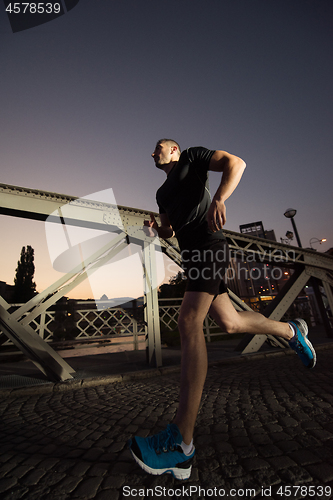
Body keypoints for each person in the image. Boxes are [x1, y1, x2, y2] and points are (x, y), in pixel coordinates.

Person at [128, 139, 316, 480]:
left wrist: (219, 198)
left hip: (210, 247)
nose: (152, 152)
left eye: (159, 147)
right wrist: (156, 232)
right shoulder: (160, 195)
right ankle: (291, 331)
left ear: (174, 150)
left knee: (188, 321)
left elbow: (237, 163)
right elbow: (170, 231)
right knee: (229, 323)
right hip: (193, 258)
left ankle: (181, 444)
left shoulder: (193, 157)